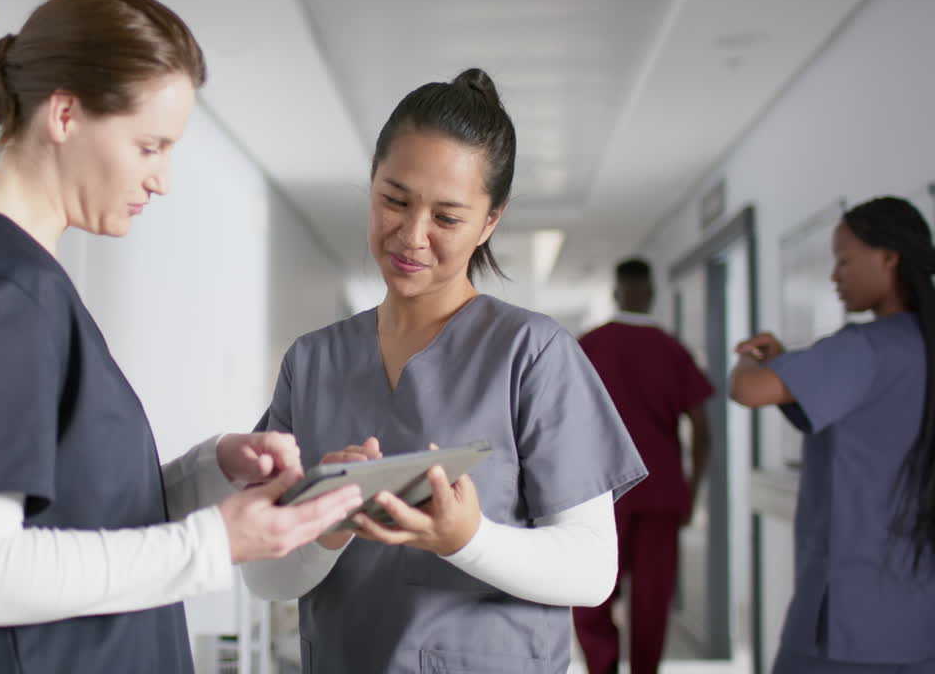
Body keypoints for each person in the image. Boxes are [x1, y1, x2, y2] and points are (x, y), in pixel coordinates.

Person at [0, 0, 362, 674]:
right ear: (65, 114)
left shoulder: (21, 283)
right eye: (149, 146)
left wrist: (208, 471)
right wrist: (213, 543)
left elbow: (72, 512)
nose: (162, 179)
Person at [240, 68, 647, 674]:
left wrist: (467, 539)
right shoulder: (312, 362)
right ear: (372, 183)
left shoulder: (533, 354)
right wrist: (328, 527)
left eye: (448, 218)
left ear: (490, 222)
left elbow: (592, 571)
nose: (411, 235)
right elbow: (264, 576)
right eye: (394, 200)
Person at [730, 196, 935, 673]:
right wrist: (790, 365)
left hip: (853, 614)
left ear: (889, 258)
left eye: (844, 261)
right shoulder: (914, 346)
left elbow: (748, 389)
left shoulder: (864, 347)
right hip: (921, 612)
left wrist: (749, 357)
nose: (834, 276)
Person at [572, 257, 714, 674]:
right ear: (651, 293)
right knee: (652, 597)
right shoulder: (672, 350)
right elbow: (703, 431)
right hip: (661, 491)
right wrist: (692, 493)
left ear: (616, 293)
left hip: (601, 490)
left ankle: (602, 665)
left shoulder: (589, 345)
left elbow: (563, 421)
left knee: (593, 589)